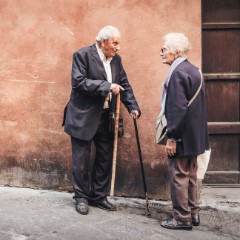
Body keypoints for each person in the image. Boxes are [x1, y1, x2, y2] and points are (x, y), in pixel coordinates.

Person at [63, 25, 141, 215]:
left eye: (118, 43)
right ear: (103, 41)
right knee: (81, 161)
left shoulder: (116, 60)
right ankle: (81, 197)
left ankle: (98, 196)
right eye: (115, 42)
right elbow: (79, 82)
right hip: (83, 116)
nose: (118, 47)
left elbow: (124, 85)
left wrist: (133, 107)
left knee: (105, 158)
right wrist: (107, 86)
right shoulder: (82, 55)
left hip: (106, 116)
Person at [158, 33, 209, 230]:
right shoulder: (194, 70)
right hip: (194, 136)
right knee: (191, 175)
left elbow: (177, 108)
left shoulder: (177, 72)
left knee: (179, 175)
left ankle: (181, 218)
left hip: (181, 136)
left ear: (176, 51)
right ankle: (193, 212)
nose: (161, 52)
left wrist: (172, 137)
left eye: (164, 48)